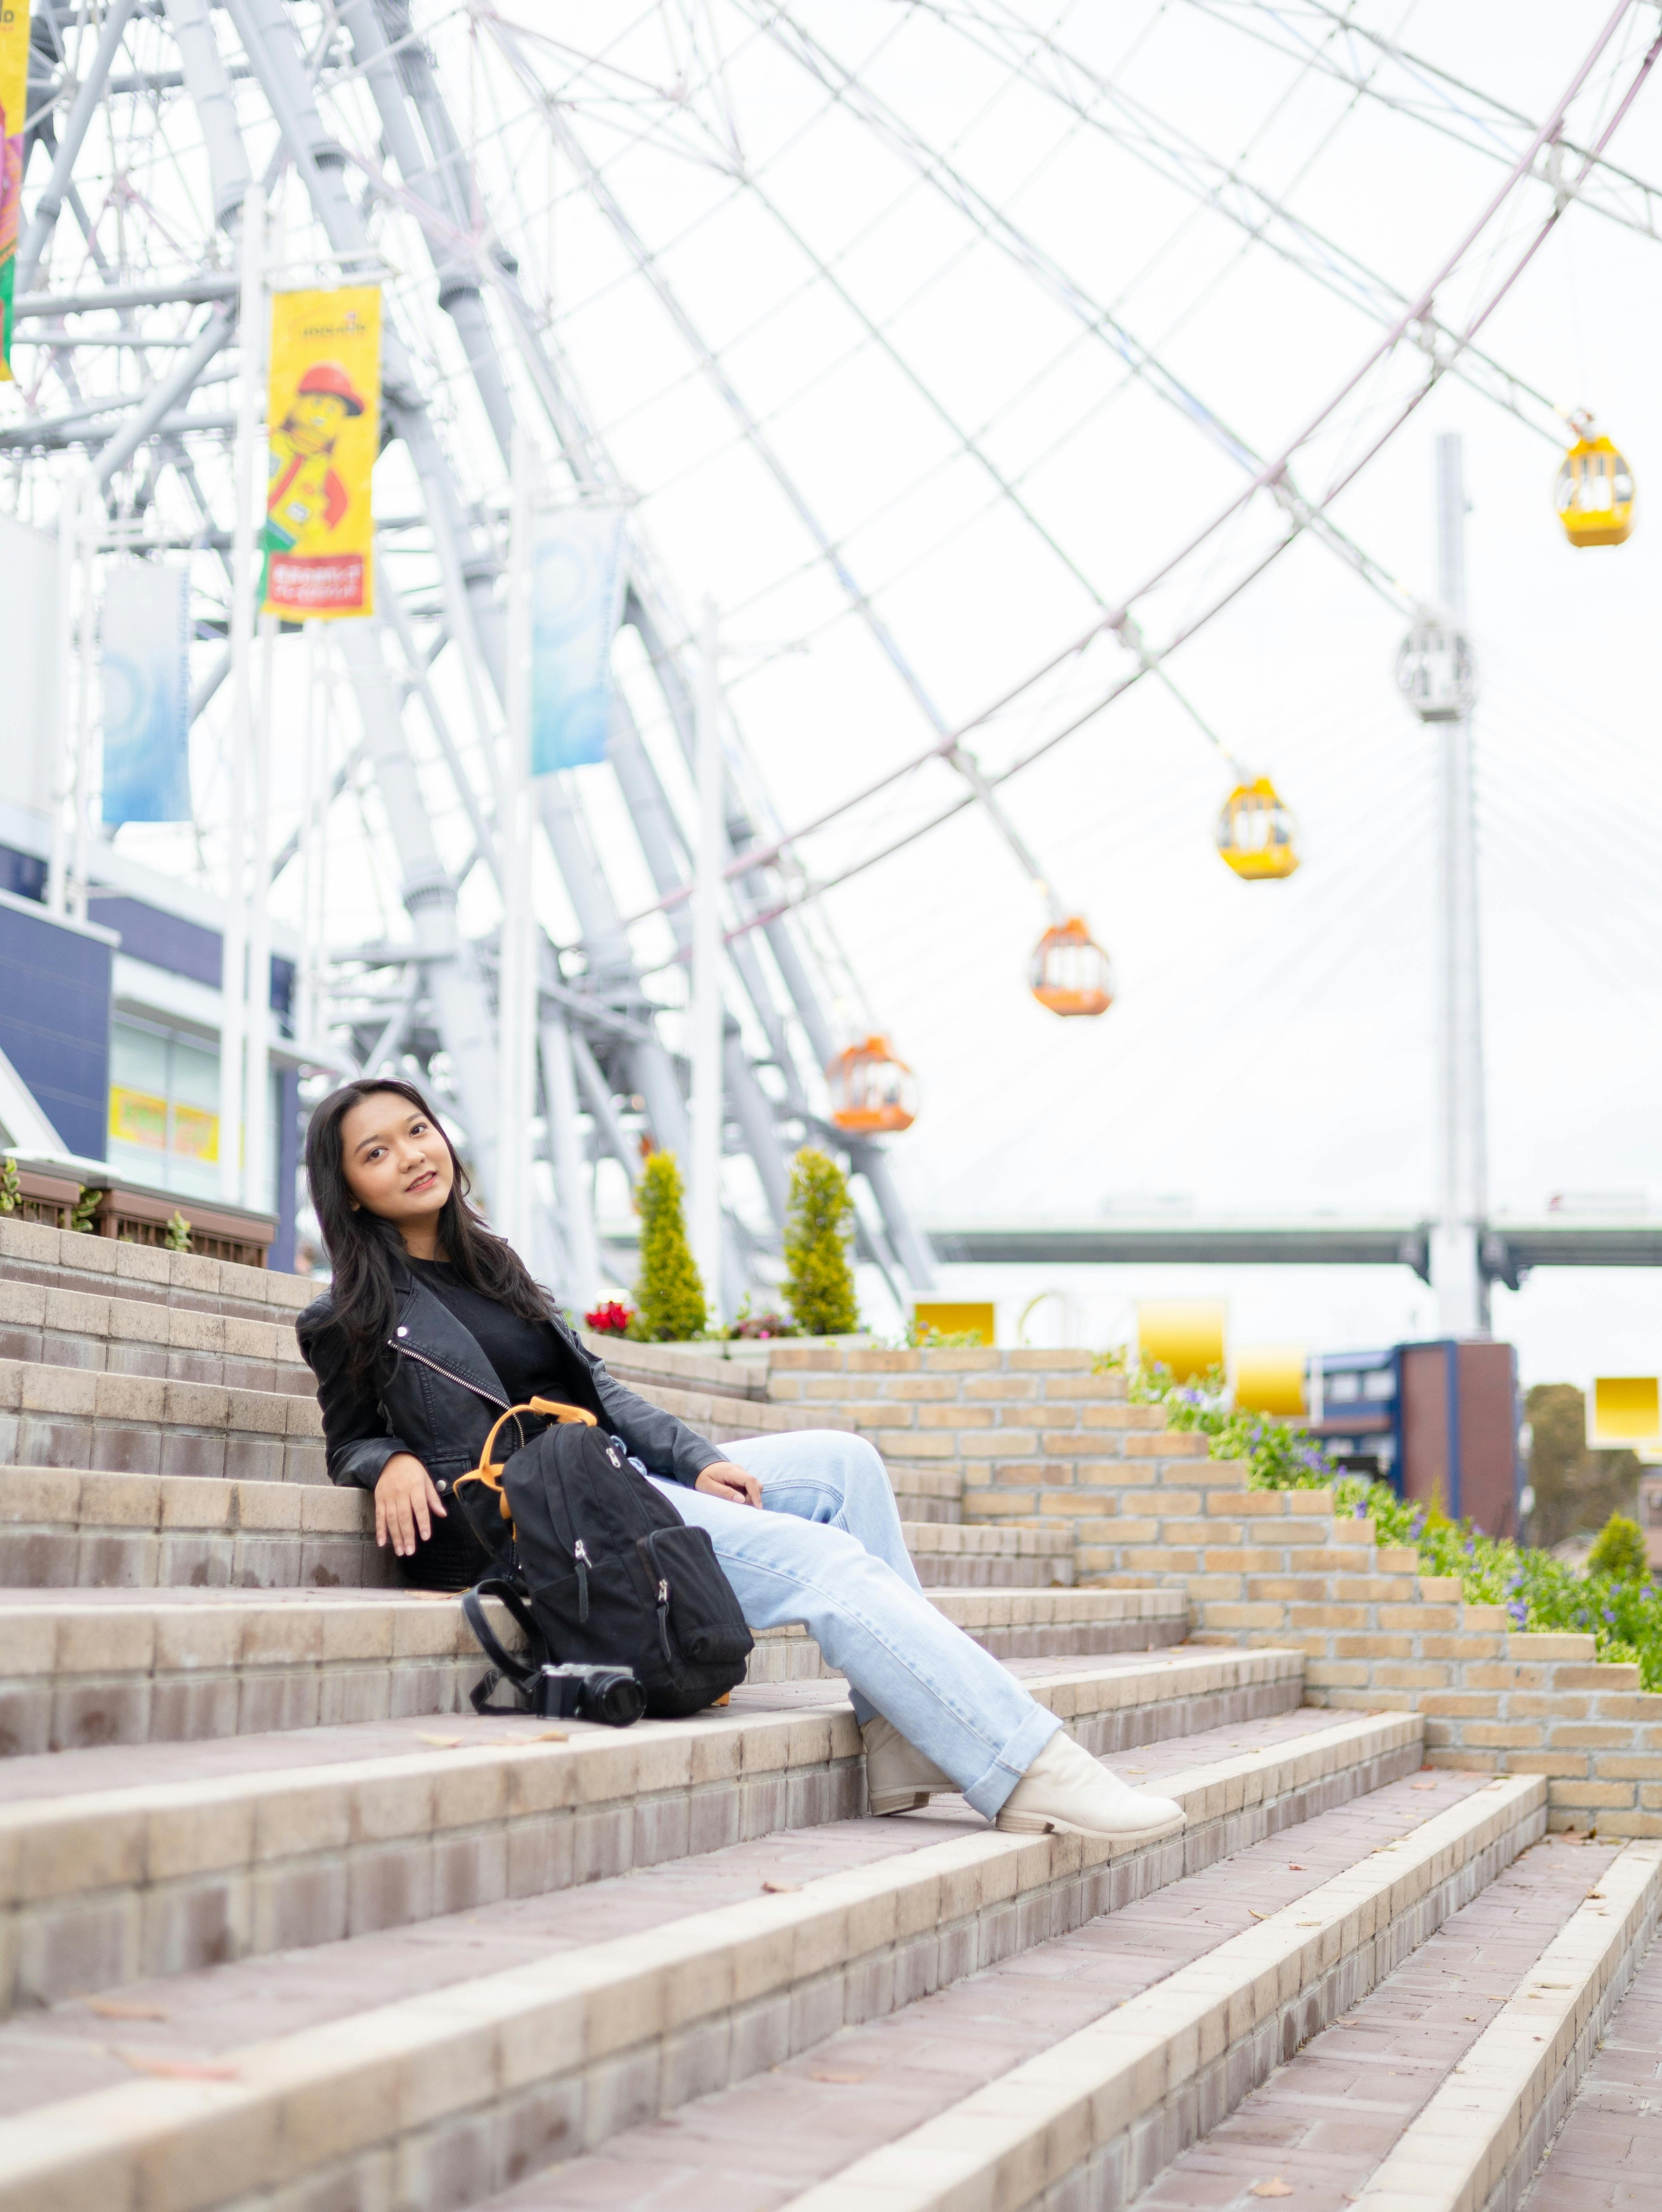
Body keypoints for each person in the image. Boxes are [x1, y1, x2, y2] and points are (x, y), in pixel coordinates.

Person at [295, 1078, 1185, 1846]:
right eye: (377, 1152)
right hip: (549, 1523)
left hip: (613, 1476)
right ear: (354, 1192)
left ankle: (895, 1733)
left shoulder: (494, 1267)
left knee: (843, 1461)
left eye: (417, 1129)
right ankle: (1026, 1770)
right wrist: (389, 1462)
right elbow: (348, 1436)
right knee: (825, 1564)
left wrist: (701, 1456)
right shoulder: (350, 1315)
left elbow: (604, 1392)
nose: (412, 1154)